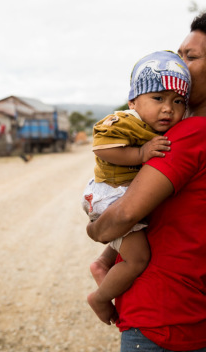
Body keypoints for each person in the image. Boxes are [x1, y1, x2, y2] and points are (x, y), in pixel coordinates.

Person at [86, 10, 206, 352]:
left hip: (162, 323)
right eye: (178, 55)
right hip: (173, 320)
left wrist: (94, 227)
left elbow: (125, 214)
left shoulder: (194, 135)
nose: (177, 65)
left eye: (190, 57)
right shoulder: (203, 131)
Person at [82, 50, 191, 325]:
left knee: (138, 229)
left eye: (178, 101)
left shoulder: (161, 127)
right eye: (158, 98)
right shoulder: (126, 121)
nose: (168, 108)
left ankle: (101, 264)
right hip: (111, 193)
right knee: (137, 259)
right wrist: (140, 155)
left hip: (124, 192)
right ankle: (100, 297)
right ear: (133, 101)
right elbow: (102, 147)